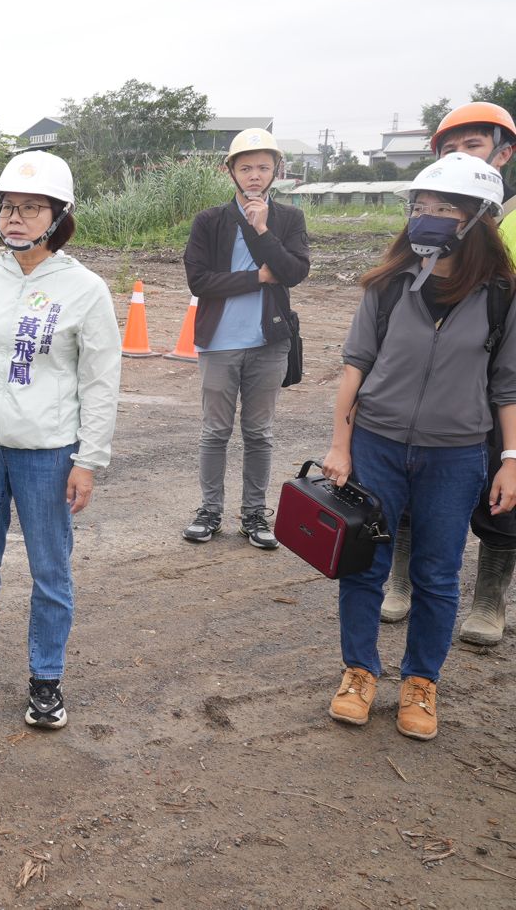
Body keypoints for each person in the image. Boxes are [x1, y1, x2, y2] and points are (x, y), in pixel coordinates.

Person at [322, 153, 516, 741]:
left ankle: (420, 683)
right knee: (364, 566)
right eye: (420, 206)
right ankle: (358, 672)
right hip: (377, 444)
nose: (426, 217)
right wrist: (340, 444)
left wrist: (510, 459)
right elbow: (355, 365)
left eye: (443, 208)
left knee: (436, 574)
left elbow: (506, 384)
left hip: (456, 455)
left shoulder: (503, 297)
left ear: (477, 217)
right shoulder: (387, 286)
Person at [0, 152, 120, 729]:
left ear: (58, 216)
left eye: (31, 208)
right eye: (8, 207)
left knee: (50, 567)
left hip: (48, 452)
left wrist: (88, 460)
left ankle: (46, 676)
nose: (15, 218)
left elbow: (101, 380)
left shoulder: (85, 289)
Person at [381, 102, 516, 644]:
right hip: (432, 384)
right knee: (413, 486)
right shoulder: (433, 218)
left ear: (503, 154)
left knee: (501, 493)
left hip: (499, 379)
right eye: (450, 149)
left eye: (474, 146)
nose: (460, 157)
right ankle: (402, 581)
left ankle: (489, 598)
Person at [181, 129, 310, 548]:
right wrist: (256, 276)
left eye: (263, 167)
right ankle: (210, 511)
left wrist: (262, 230)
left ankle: (254, 515)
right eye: (246, 167)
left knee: (259, 432)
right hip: (219, 341)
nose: (255, 176)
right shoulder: (210, 220)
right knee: (215, 432)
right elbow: (199, 281)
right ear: (231, 171)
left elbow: (294, 272)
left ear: (276, 171)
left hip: (269, 341)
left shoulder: (288, 218)